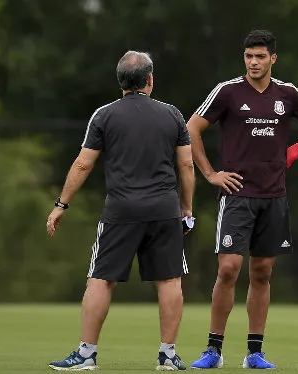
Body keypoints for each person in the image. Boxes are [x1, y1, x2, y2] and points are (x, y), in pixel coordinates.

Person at [187, 29, 298, 370]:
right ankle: (213, 349)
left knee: (262, 272)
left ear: (273, 59)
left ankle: (254, 352)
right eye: (249, 56)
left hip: (273, 196)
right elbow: (191, 128)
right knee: (228, 269)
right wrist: (210, 173)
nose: (254, 62)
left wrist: (293, 153)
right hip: (237, 196)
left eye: (260, 57)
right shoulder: (227, 91)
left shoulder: (288, 93)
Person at [46, 50, 197, 372]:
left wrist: (61, 205)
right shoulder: (173, 115)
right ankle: (168, 355)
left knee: (100, 279)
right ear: (150, 79)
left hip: (121, 210)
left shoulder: (104, 115)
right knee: (169, 279)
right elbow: (186, 164)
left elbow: (83, 164)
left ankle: (87, 354)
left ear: (121, 82)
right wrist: (186, 207)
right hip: (164, 209)